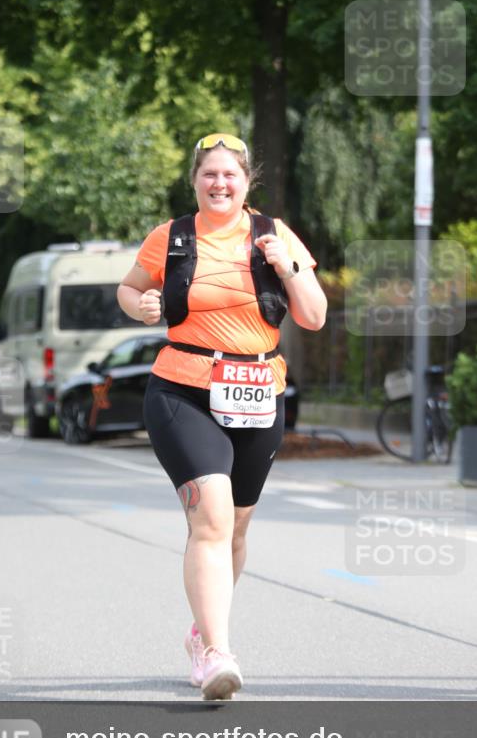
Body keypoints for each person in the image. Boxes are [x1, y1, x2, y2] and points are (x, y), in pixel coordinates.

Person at [117, 134, 327, 700]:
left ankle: (200, 633)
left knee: (235, 526)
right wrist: (139, 304)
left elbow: (312, 316)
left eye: (229, 175)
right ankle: (217, 653)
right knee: (209, 518)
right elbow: (129, 287)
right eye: (209, 174)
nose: (219, 184)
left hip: (259, 392)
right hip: (183, 390)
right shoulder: (172, 237)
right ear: (195, 181)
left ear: (246, 181)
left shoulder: (275, 235)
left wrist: (287, 268)